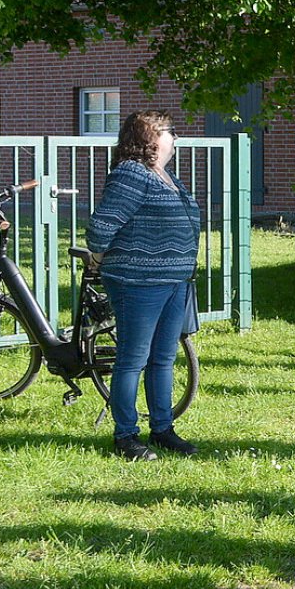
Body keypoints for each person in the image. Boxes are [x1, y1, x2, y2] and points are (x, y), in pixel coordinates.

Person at [86, 110, 201, 462]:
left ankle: (162, 430)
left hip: (173, 280)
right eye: (170, 131)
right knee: (132, 359)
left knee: (163, 359)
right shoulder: (131, 174)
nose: (175, 138)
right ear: (149, 137)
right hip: (137, 282)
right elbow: (101, 227)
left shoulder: (165, 175)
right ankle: (125, 436)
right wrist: (100, 258)